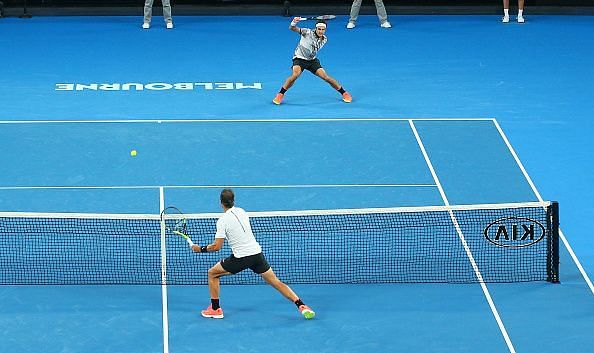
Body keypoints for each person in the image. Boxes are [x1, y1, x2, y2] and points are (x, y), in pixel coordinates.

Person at [191, 189, 316, 320]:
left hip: (241, 258)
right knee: (276, 282)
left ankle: (215, 309)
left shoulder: (222, 221)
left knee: (212, 273)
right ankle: (301, 305)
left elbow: (217, 247)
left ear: (220, 202)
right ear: (233, 201)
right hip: (257, 255)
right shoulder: (242, 212)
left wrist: (200, 249)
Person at [272, 18, 352, 105]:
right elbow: (292, 28)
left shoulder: (324, 39)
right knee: (295, 75)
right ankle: (280, 94)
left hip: (312, 60)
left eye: (323, 29)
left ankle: (344, 93)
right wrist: (294, 22)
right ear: (316, 28)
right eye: (319, 29)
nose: (321, 31)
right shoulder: (307, 32)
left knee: (326, 77)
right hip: (299, 58)